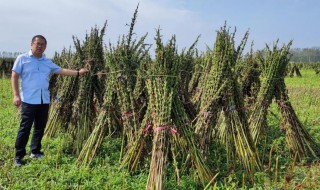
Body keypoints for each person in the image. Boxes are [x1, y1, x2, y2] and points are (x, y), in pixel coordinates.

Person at [11, 35, 88, 167]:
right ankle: (19, 156)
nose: (40, 46)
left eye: (43, 44)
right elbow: (14, 75)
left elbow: (61, 70)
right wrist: (16, 95)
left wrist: (78, 72)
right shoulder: (22, 59)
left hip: (44, 100)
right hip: (29, 100)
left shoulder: (47, 62)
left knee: (40, 128)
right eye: (38, 44)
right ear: (31, 44)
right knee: (25, 128)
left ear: (45, 47)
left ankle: (35, 151)